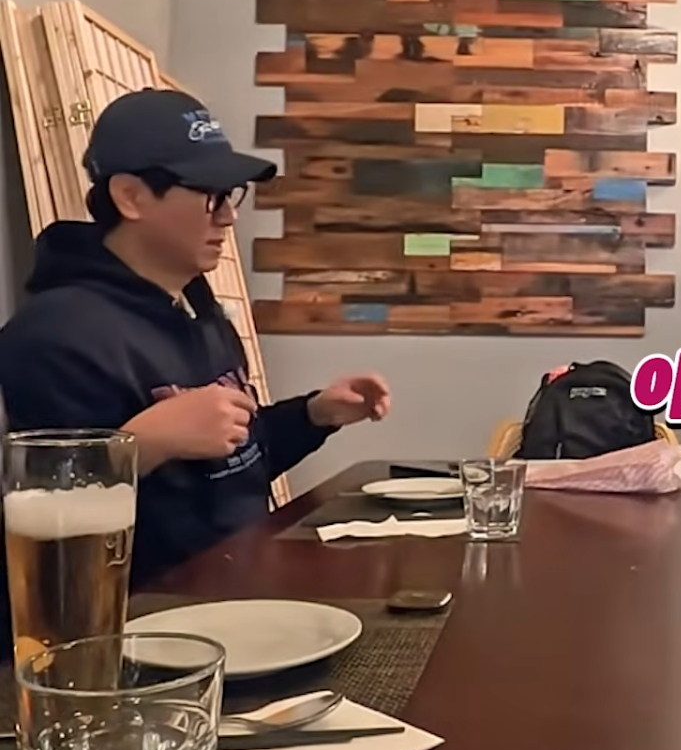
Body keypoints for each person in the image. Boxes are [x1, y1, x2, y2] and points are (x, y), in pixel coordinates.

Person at [0, 89, 393, 588]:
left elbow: (236, 461)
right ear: (131, 196)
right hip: (149, 617)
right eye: (211, 195)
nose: (228, 216)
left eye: (232, 195)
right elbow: (43, 512)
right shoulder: (55, 335)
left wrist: (314, 414)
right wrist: (143, 445)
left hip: (242, 591)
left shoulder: (198, 311)